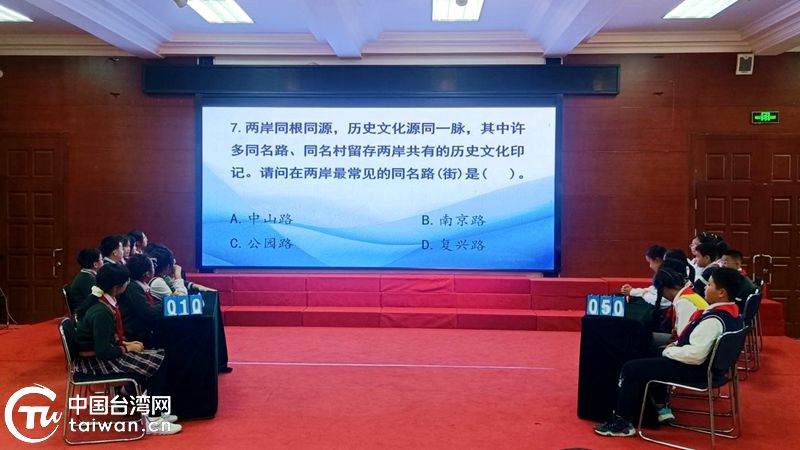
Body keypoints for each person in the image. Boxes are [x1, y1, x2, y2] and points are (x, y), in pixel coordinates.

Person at [593, 268, 744, 437]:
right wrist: (673, 347)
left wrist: (669, 351)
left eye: (709, 284)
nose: (705, 287)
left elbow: (695, 355)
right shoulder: (732, 314)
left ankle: (623, 423)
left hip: (696, 371)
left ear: (722, 292)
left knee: (630, 369)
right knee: (648, 355)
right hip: (712, 370)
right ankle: (654, 405)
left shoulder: (713, 320)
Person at [74, 264, 181, 435]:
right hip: (97, 363)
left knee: (158, 356)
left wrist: (126, 344)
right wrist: (126, 348)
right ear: (117, 287)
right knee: (158, 362)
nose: (128, 284)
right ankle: (153, 420)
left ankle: (153, 409)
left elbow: (108, 340)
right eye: (126, 282)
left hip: (102, 356)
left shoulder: (105, 303)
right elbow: (103, 351)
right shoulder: (101, 312)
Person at [118, 254, 162, 348]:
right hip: (134, 338)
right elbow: (148, 312)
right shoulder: (133, 289)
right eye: (153, 266)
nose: (155, 268)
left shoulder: (139, 285)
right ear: (147, 273)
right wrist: (167, 303)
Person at [67, 248, 103, 315]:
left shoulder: (87, 275)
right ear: (95, 264)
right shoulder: (86, 278)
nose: (103, 262)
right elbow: (97, 299)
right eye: (101, 260)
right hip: (84, 314)